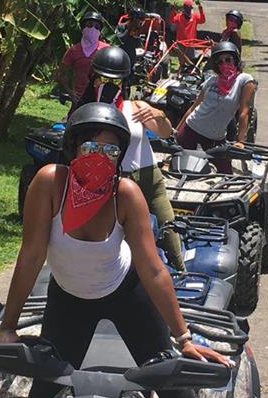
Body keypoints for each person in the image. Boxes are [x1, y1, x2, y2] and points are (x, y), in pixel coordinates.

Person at [0, 103, 229, 398]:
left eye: (110, 150)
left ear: (120, 156)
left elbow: (153, 269)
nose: (100, 157)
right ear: (73, 147)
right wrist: (8, 326)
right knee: (41, 393)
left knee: (170, 384)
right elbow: (31, 255)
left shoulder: (125, 194)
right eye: (91, 147)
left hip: (125, 293)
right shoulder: (50, 184)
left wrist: (183, 338)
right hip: (70, 298)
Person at [73, 46, 185, 270]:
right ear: (94, 79)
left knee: (169, 230)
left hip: (148, 179)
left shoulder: (136, 108)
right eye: (103, 79)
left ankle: (180, 273)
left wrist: (159, 115)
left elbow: (166, 133)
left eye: (115, 81)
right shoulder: (87, 113)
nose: (108, 85)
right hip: (110, 183)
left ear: (123, 83)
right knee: (116, 237)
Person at [175, 41, 256, 175]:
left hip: (215, 137)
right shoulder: (211, 81)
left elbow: (244, 112)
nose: (224, 64)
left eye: (228, 59)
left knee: (226, 174)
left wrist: (240, 141)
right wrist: (176, 131)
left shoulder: (244, 80)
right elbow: (193, 107)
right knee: (182, 171)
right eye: (220, 62)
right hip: (191, 129)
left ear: (235, 60)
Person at [55, 12, 109, 102]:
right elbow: (62, 73)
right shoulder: (73, 51)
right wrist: (70, 92)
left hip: (99, 98)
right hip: (79, 98)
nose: (93, 29)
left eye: (97, 27)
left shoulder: (106, 50)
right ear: (83, 27)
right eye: (89, 25)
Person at [170, 0, 206, 64]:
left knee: (191, 61)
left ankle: (190, 68)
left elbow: (202, 20)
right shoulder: (179, 16)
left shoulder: (194, 16)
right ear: (184, 8)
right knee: (182, 61)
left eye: (189, 8)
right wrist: (173, 10)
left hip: (190, 43)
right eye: (187, 8)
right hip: (180, 42)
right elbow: (172, 20)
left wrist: (200, 8)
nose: (188, 10)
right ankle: (182, 68)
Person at [115, 7, 146, 73]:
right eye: (139, 20)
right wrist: (128, 32)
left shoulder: (137, 30)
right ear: (133, 19)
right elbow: (118, 39)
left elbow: (138, 45)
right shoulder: (121, 26)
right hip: (120, 58)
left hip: (130, 61)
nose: (140, 23)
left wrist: (136, 36)